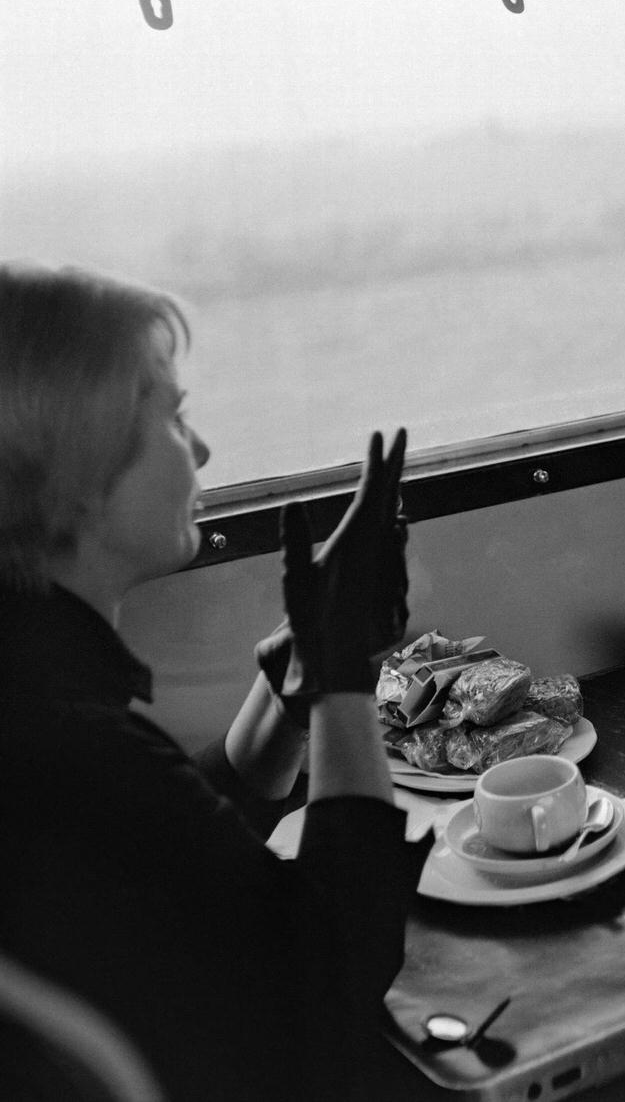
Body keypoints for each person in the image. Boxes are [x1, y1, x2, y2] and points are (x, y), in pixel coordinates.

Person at [0, 261, 431, 1102]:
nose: (200, 449)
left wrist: (291, 690)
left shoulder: (38, 700)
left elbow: (173, 856)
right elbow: (338, 969)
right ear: (79, 469)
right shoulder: (71, 750)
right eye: (172, 414)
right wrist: (343, 674)